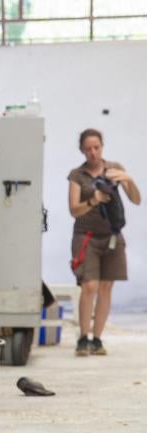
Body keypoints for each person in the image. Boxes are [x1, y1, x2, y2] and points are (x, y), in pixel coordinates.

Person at [68, 128, 141, 356]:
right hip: (86, 236)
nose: (93, 153)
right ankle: (83, 338)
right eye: (88, 149)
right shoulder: (77, 175)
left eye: (96, 147)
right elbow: (74, 210)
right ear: (81, 150)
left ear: (102, 147)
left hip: (112, 236)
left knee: (106, 287)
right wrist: (94, 199)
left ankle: (97, 339)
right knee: (89, 286)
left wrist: (128, 179)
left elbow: (136, 200)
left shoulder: (114, 169)